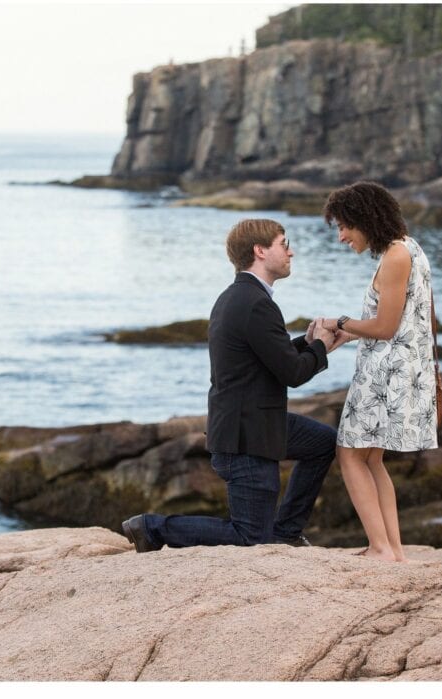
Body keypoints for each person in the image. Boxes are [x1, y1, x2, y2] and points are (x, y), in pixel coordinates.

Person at [122, 218, 344, 552]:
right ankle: (152, 527)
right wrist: (320, 347)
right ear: (260, 250)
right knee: (249, 538)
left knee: (323, 442)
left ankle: (285, 534)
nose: (291, 252)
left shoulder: (241, 296)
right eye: (284, 244)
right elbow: (293, 374)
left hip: (255, 421)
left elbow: (271, 356)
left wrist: (312, 342)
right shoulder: (255, 303)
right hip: (245, 438)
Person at [316, 181, 439, 563]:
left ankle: (381, 548)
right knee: (371, 459)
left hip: (384, 379)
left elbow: (385, 328)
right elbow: (412, 324)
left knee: (349, 454)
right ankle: (393, 550)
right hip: (398, 372)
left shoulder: (395, 257)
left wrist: (339, 320)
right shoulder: (409, 249)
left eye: (343, 227)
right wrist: (345, 335)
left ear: (363, 219)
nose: (341, 237)